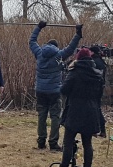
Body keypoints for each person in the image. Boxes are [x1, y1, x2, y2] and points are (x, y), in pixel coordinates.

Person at [29, 21, 82, 151]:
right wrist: (78, 34)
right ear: (56, 47)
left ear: (47, 45)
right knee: (55, 117)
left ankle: (41, 141)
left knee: (41, 115)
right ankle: (53, 142)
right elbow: (71, 48)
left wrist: (38, 27)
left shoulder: (39, 53)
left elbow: (32, 41)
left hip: (40, 90)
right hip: (54, 91)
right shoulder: (59, 55)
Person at [52, 48, 103, 167]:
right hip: (91, 111)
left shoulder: (74, 73)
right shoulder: (97, 75)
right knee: (87, 142)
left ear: (78, 58)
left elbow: (64, 90)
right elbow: (99, 95)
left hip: (75, 110)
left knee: (68, 141)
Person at [90, 46, 107, 137]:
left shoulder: (93, 62)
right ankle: (102, 130)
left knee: (94, 109)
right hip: (100, 88)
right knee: (97, 108)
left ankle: (95, 129)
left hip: (93, 89)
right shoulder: (102, 62)